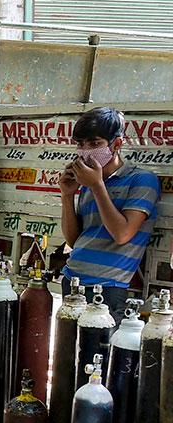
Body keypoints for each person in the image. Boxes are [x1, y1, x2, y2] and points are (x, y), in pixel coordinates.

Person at [60, 107, 161, 323]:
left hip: (107, 288)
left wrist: (97, 186)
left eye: (95, 144)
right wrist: (67, 196)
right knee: (67, 353)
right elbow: (74, 240)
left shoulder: (142, 180)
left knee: (98, 354)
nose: (86, 151)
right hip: (72, 279)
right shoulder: (89, 183)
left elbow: (122, 234)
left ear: (116, 144)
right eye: (80, 145)